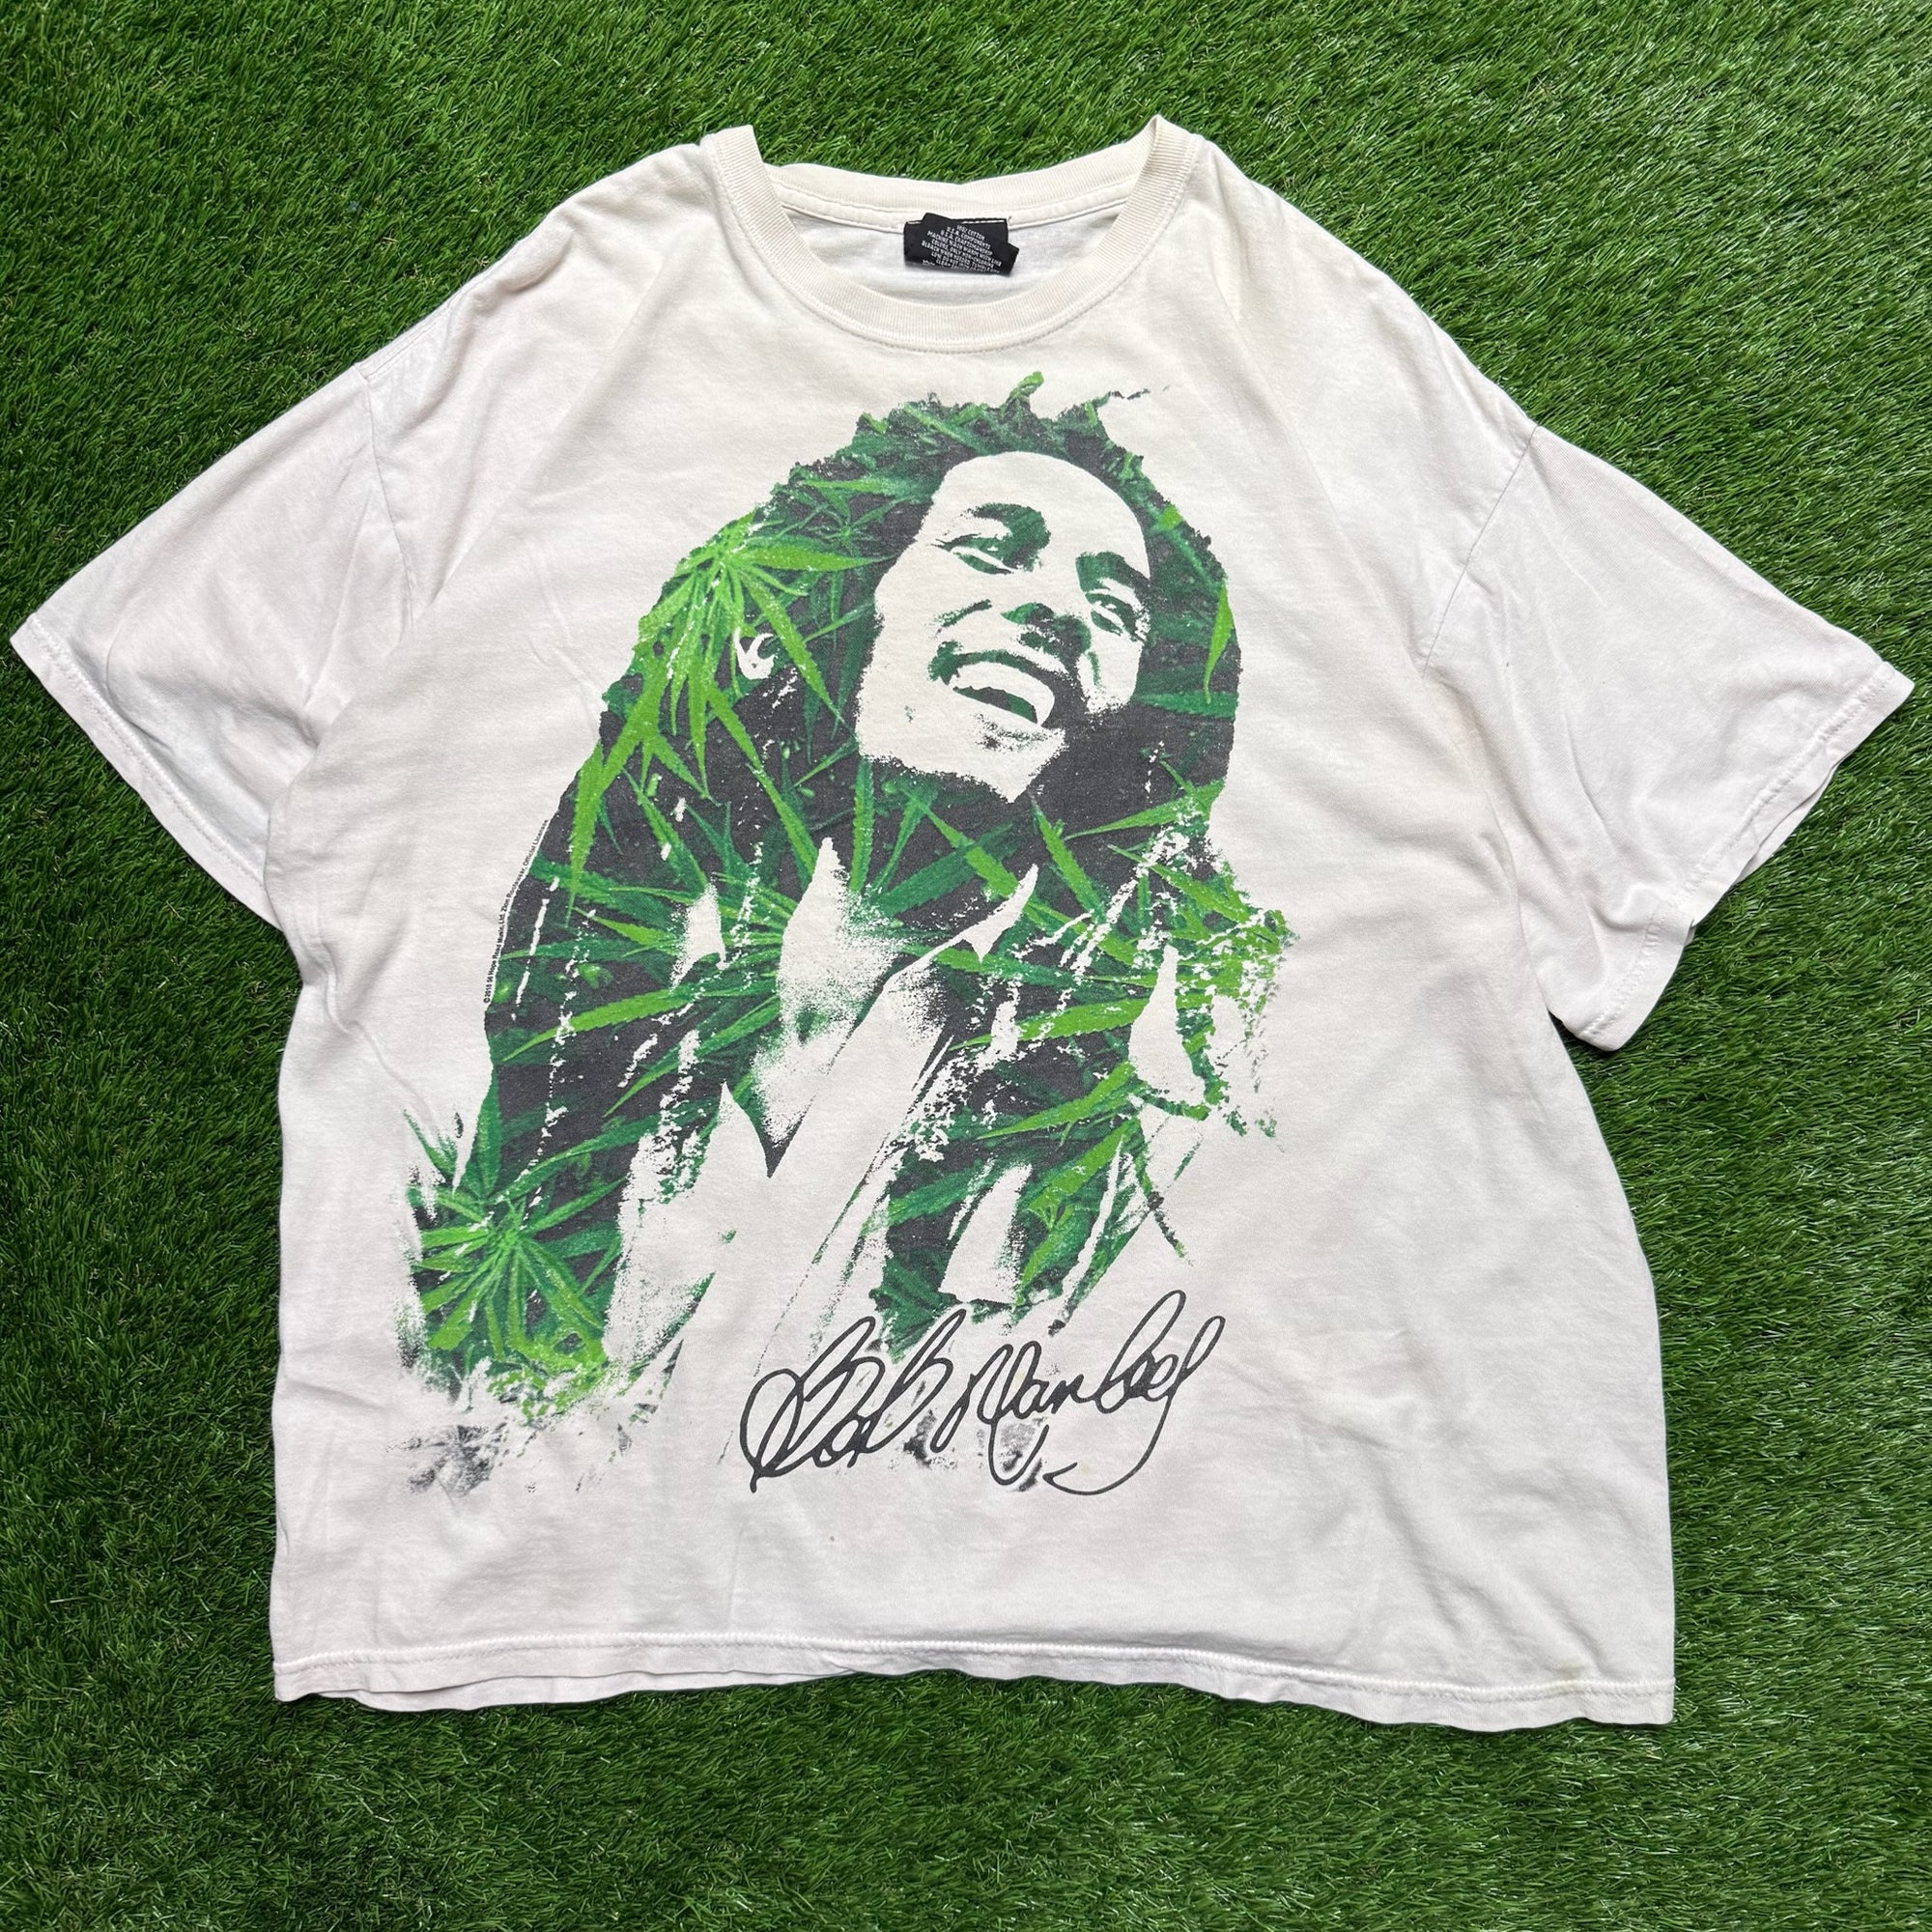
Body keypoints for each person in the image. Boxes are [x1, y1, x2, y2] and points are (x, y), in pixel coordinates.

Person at [408, 377, 1292, 1416]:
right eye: (987, 548)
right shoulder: (551, 1011)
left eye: (1111, 611)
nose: (1056, 610)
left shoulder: (1140, 1138)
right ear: (837, 608)